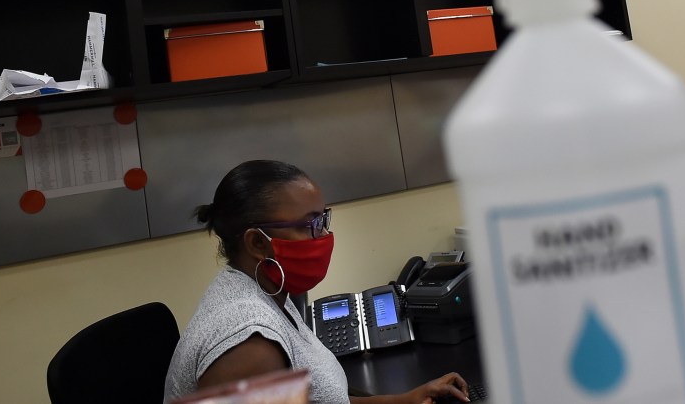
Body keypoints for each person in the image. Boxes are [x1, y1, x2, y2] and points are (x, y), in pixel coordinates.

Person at [164, 160, 470, 404]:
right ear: (258, 243)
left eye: (324, 220)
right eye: (311, 224)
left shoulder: (268, 293)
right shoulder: (250, 343)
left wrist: (403, 401)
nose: (324, 236)